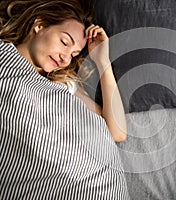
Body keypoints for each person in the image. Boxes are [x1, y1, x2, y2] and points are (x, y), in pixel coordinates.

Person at [0, 0, 129, 199]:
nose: (65, 59)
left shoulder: (63, 84)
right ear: (39, 25)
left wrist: (103, 61)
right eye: (65, 42)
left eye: (74, 54)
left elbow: (118, 132)